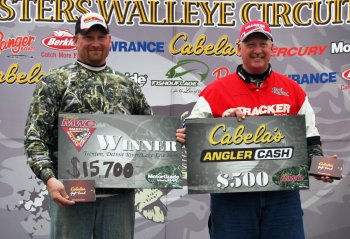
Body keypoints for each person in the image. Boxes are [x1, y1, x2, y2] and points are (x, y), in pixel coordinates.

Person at [176, 19, 334, 239]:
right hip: (231, 195)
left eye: (263, 44)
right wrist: (217, 126)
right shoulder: (215, 91)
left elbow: (310, 136)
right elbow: (191, 132)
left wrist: (321, 167)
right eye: (250, 44)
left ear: (272, 49)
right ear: (239, 48)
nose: (257, 50)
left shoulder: (292, 90)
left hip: (283, 194)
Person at [24, 12, 152, 239]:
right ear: (75, 40)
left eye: (101, 37)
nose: (95, 43)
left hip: (118, 197)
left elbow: (149, 133)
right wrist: (49, 179)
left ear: (110, 41)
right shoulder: (54, 81)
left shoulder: (128, 85)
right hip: (71, 193)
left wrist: (174, 139)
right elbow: (36, 137)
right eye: (88, 36)